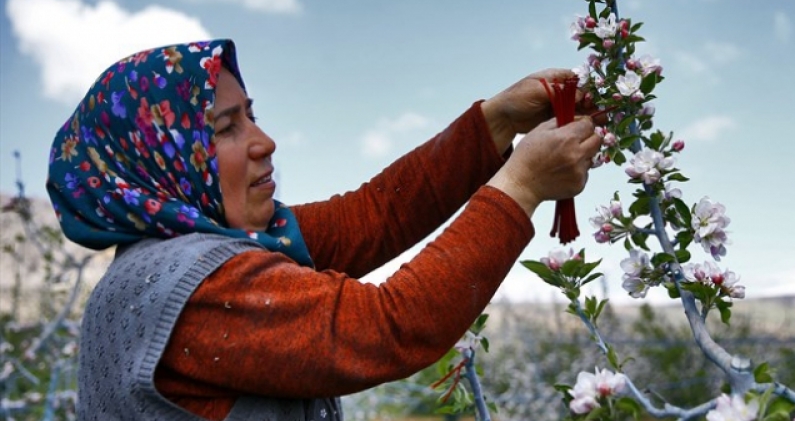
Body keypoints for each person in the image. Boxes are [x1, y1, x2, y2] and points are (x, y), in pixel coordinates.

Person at [47, 39, 601, 421]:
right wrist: (524, 185)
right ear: (161, 158)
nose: (264, 141)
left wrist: (498, 120)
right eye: (225, 128)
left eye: (251, 114)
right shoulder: (199, 288)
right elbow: (392, 325)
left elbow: (374, 215)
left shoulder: (205, 251)